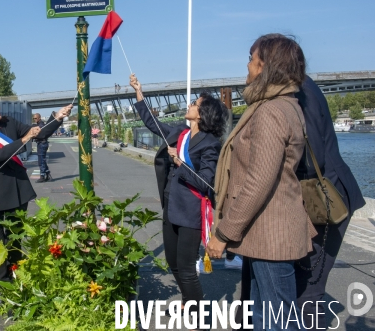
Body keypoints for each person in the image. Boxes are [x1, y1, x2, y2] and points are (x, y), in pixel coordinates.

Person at [207, 34, 316, 330]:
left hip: (271, 236)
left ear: (265, 66)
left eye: (252, 59)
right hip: (266, 235)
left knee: (275, 322)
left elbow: (258, 181)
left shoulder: (270, 111)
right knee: (266, 319)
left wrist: (223, 233)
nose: (247, 65)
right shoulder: (286, 105)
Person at [130, 74, 227, 327]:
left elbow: (206, 182)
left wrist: (180, 164)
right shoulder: (181, 133)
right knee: (172, 262)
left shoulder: (211, 144)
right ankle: (188, 299)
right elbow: (154, 124)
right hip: (171, 208)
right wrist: (139, 92)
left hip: (191, 212)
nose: (190, 105)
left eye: (195, 104)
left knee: (186, 268)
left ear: (203, 113)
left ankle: (198, 317)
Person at [0, 95, 72, 281]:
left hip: (17, 191)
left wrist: (58, 117)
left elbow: (39, 133)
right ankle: (3, 287)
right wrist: (23, 140)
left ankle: (18, 285)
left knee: (16, 241)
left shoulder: (8, 123)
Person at [293, 76, 366, 326]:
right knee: (303, 286)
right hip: (320, 197)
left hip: (324, 201)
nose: (249, 65)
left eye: (254, 59)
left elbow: (313, 156)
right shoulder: (302, 88)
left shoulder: (302, 92)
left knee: (308, 288)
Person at [32, 113, 51, 183]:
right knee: (42, 159)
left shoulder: (41, 125)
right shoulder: (38, 125)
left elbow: (39, 134)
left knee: (41, 160)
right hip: (41, 143)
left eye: (36, 118)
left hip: (42, 143)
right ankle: (47, 173)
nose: (34, 119)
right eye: (34, 118)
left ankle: (42, 176)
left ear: (39, 118)